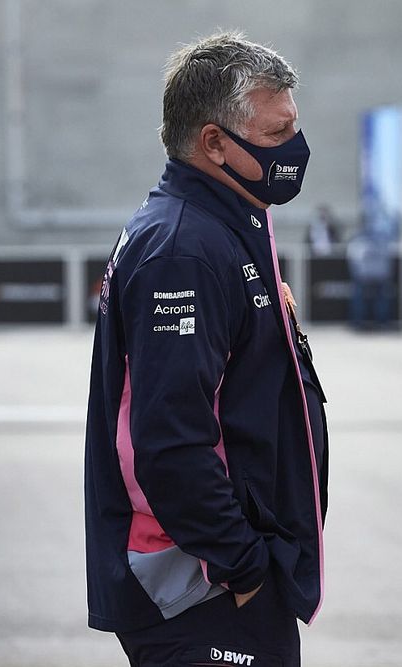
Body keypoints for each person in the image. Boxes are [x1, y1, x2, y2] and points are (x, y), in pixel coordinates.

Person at [84, 32, 329, 667]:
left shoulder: (232, 222)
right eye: (275, 136)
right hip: (200, 589)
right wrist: (245, 570)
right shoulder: (183, 250)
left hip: (225, 577)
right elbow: (169, 442)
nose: (295, 150)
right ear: (213, 142)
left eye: (292, 128)